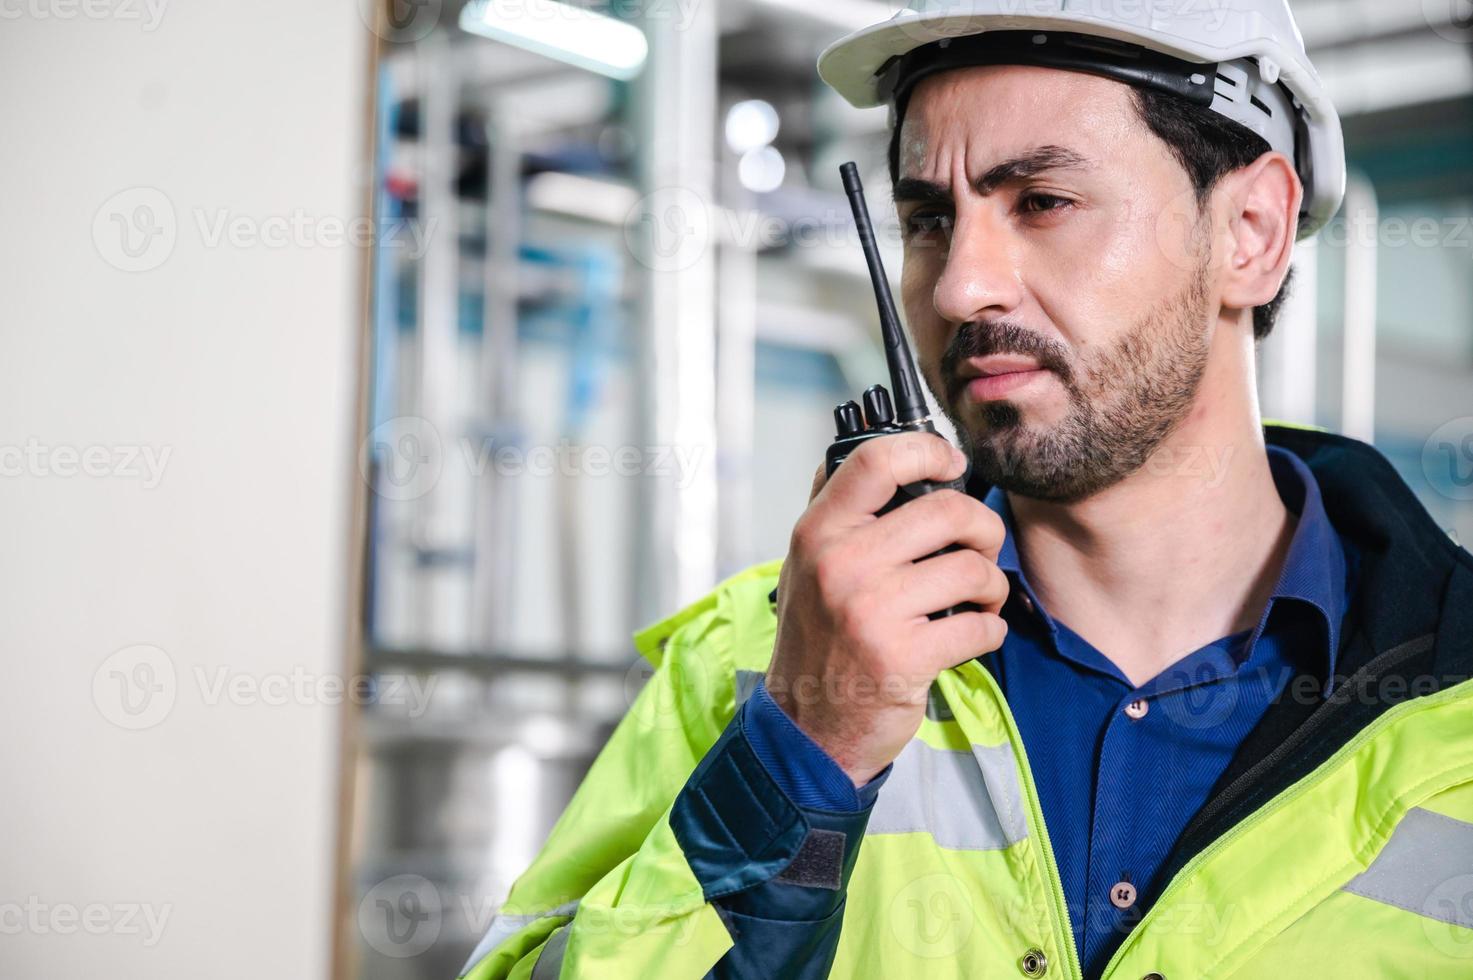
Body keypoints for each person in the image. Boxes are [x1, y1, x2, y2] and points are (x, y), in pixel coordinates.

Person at [460, 3, 1473, 978]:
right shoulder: (753, 661)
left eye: (1042, 201)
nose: (957, 288)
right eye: (929, 217)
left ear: (1250, 229)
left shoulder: (1452, 711)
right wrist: (802, 761)